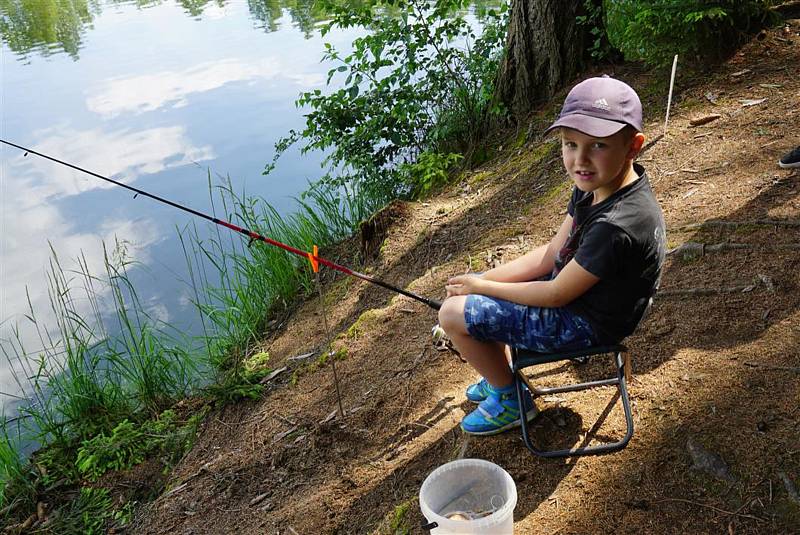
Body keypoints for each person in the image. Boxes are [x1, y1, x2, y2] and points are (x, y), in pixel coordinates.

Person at [437, 76, 666, 436]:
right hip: (575, 295)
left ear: (633, 145)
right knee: (477, 295)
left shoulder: (617, 225)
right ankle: (502, 369)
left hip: (585, 322)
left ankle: (510, 398)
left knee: (452, 314)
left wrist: (482, 286)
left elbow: (556, 293)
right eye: (570, 144)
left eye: (598, 146)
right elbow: (550, 255)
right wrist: (486, 280)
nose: (580, 160)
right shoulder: (595, 184)